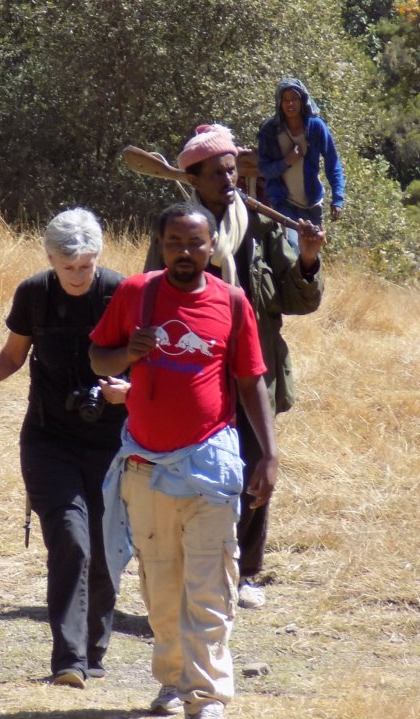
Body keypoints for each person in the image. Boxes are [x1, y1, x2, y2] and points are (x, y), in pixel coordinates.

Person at [91, 201, 279, 719]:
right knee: (162, 585)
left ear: (212, 246)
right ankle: (173, 679)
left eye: (195, 243)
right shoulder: (135, 294)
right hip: (146, 465)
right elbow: (96, 359)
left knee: (211, 586)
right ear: (160, 244)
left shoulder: (233, 302)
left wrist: (268, 454)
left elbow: (250, 382)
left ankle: (207, 702)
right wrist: (127, 351)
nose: (184, 253)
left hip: (210, 465)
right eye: (174, 242)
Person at [0, 208, 127, 688]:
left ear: (98, 257)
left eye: (86, 265)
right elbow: (11, 355)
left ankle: (93, 650)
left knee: (105, 547)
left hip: (111, 441)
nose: (79, 276)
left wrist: (124, 388)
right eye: (69, 267)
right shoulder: (35, 294)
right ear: (50, 260)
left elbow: (146, 360)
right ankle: (68, 660)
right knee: (69, 539)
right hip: (49, 438)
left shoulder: (122, 293)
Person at [142, 124, 325, 610]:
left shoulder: (262, 227)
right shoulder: (178, 230)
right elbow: (151, 294)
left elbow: (295, 300)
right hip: (192, 373)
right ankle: (192, 567)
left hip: (252, 370)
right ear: (194, 179)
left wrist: (307, 261)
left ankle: (245, 572)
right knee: (194, 472)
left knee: (255, 467)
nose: (229, 180)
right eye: (218, 173)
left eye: (232, 171)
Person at [257, 77, 345, 250]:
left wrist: (338, 198)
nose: (290, 104)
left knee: (311, 253)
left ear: (303, 100)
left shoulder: (316, 127)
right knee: (293, 249)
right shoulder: (270, 131)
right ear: (279, 103)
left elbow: (332, 163)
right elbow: (264, 169)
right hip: (283, 203)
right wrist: (286, 162)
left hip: (312, 204)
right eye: (286, 100)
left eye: (294, 99)